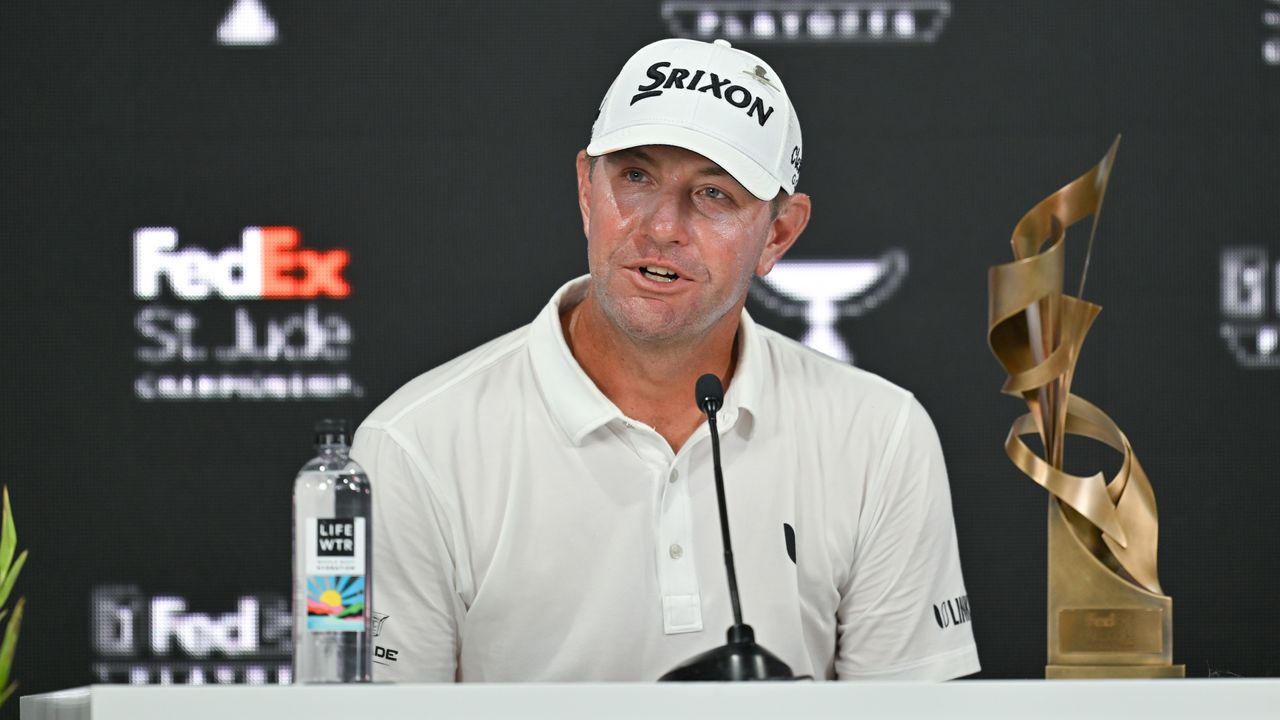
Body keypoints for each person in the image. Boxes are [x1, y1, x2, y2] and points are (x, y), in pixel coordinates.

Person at [351, 37, 979, 682]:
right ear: (585, 191)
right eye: (636, 177)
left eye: (713, 194)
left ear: (779, 234)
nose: (662, 227)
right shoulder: (414, 445)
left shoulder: (878, 434)